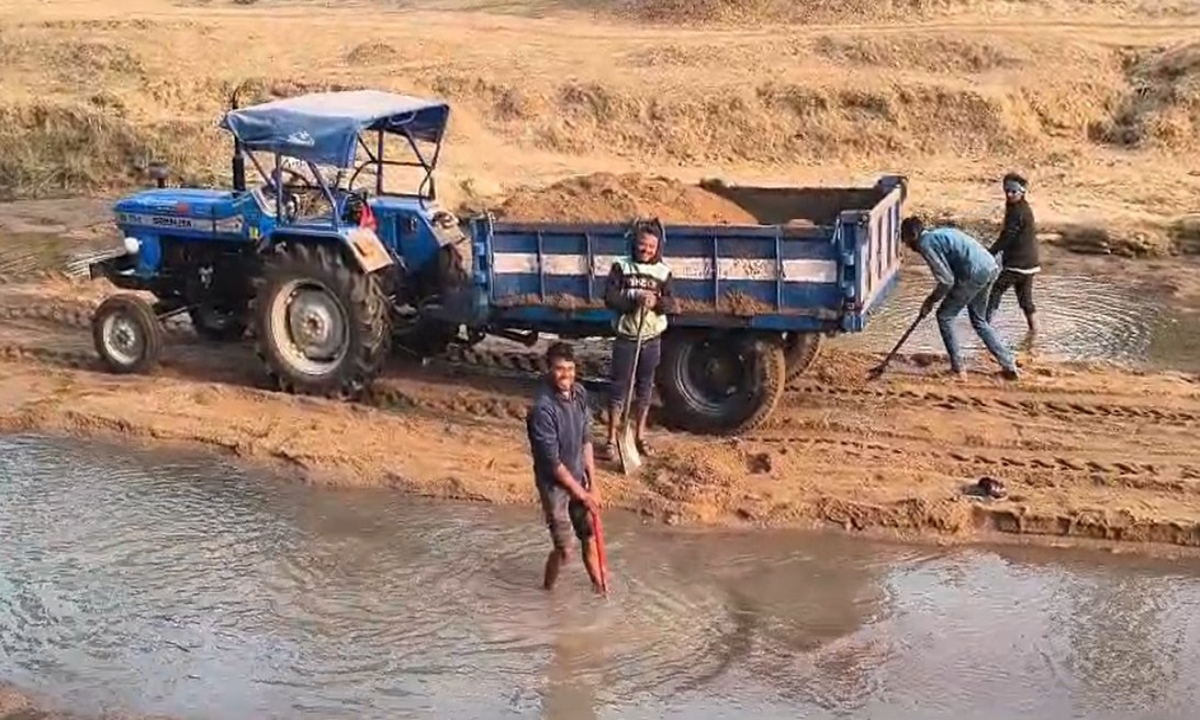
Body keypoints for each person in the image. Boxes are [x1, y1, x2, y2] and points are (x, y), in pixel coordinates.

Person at [900, 216, 1020, 380]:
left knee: (944, 316)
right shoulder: (939, 234)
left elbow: (946, 281)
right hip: (990, 266)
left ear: (912, 236)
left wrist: (930, 301)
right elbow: (952, 273)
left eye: (906, 241)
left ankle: (958, 369)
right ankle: (1009, 364)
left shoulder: (924, 243)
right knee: (979, 321)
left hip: (974, 273)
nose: (908, 246)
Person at [597, 218, 678, 461]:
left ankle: (640, 436)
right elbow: (610, 298)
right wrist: (634, 300)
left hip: (651, 339)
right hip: (627, 337)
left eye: (651, 247)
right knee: (619, 388)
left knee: (645, 389)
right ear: (635, 244)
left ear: (658, 248)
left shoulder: (663, 272)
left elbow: (673, 304)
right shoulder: (621, 267)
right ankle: (612, 438)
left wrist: (657, 302)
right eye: (642, 245)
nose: (646, 250)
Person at [526, 341, 604, 593]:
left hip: (578, 477)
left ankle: (599, 588)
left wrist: (593, 484)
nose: (566, 375)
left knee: (589, 537)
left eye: (570, 369)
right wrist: (582, 494)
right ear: (550, 369)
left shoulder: (579, 393)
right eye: (560, 369)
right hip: (554, 485)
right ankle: (546, 591)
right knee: (565, 550)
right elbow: (553, 463)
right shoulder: (542, 409)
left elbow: (586, 441)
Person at [986, 172, 1040, 338]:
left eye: (1013, 191)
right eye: (1006, 191)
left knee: (996, 290)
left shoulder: (1018, 211)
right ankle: (1034, 331)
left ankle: (984, 326)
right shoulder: (1020, 207)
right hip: (1030, 263)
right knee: (1025, 300)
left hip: (1018, 262)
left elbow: (1007, 237)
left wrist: (990, 253)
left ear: (1022, 191)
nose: (1009, 194)